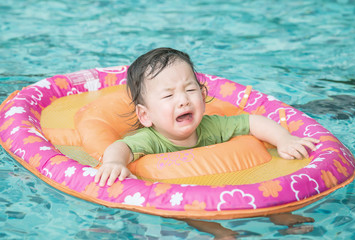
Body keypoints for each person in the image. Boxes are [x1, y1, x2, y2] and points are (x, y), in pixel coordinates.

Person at [94, 47, 318, 238]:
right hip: (185, 198)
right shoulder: (150, 139)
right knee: (184, 209)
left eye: (190, 90)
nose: (183, 100)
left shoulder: (211, 126)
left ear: (202, 94)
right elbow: (121, 147)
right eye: (168, 96)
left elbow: (251, 122)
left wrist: (284, 139)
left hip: (226, 184)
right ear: (145, 115)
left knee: (259, 187)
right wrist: (115, 163)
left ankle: (277, 213)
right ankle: (220, 232)